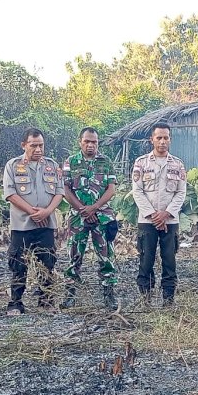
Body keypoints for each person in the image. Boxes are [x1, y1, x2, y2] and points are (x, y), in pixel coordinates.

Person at [3, 128, 65, 315]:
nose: (38, 149)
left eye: (41, 145)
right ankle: (16, 302)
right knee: (18, 263)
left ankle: (46, 301)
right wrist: (32, 212)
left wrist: (46, 212)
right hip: (22, 225)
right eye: (34, 145)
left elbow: (59, 192)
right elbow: (10, 194)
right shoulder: (13, 166)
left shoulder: (52, 165)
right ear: (24, 145)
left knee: (47, 262)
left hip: (46, 224)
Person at [61, 127, 119, 310]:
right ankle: (70, 295)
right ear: (80, 142)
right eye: (87, 141)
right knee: (74, 257)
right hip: (78, 218)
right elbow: (66, 189)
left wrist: (94, 208)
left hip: (102, 218)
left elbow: (111, 189)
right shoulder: (71, 162)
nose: (90, 145)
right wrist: (82, 209)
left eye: (94, 142)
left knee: (106, 256)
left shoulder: (106, 162)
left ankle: (109, 295)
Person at [131, 122, 187, 306]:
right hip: (147, 221)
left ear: (170, 140)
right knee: (146, 260)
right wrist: (153, 215)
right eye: (159, 138)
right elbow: (137, 191)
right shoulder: (141, 163)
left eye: (166, 138)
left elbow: (181, 192)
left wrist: (167, 214)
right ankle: (145, 298)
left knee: (169, 261)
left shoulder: (177, 164)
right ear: (152, 140)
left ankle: (168, 300)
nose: (162, 141)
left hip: (170, 222)